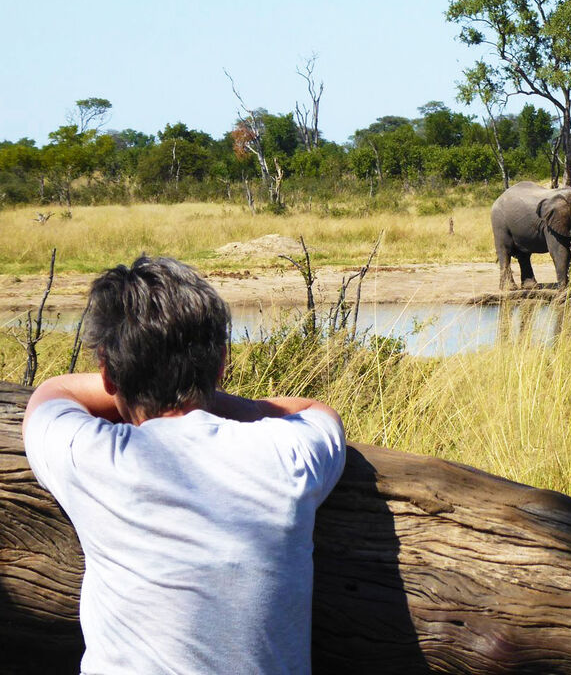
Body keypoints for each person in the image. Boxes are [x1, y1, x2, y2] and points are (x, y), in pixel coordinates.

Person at [22, 256, 346, 675]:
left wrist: (130, 380)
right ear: (222, 362)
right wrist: (224, 401)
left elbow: (52, 394)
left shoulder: (93, 456)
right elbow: (319, 412)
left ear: (106, 371)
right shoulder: (288, 453)